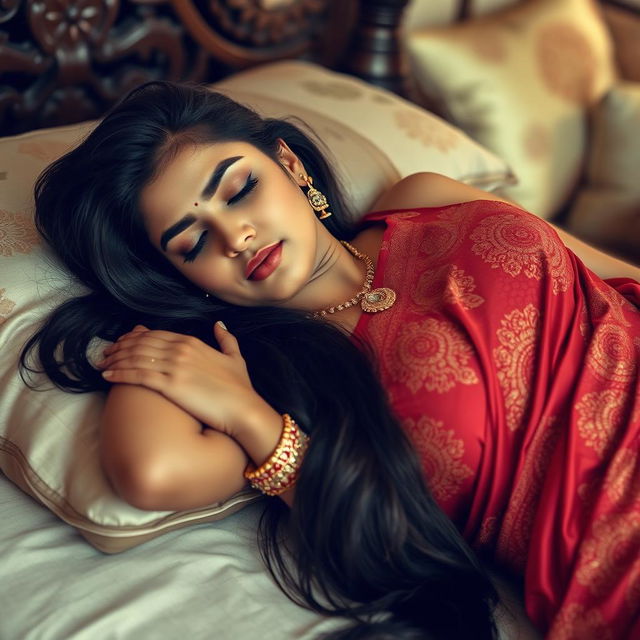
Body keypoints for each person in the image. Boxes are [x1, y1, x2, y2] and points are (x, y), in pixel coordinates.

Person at [20, 81, 640, 639]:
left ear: (289, 163)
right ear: (178, 276)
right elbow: (149, 471)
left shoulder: (421, 198)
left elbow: (617, 278)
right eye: (193, 241)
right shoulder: (274, 376)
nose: (236, 236)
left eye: (239, 189)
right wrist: (250, 420)